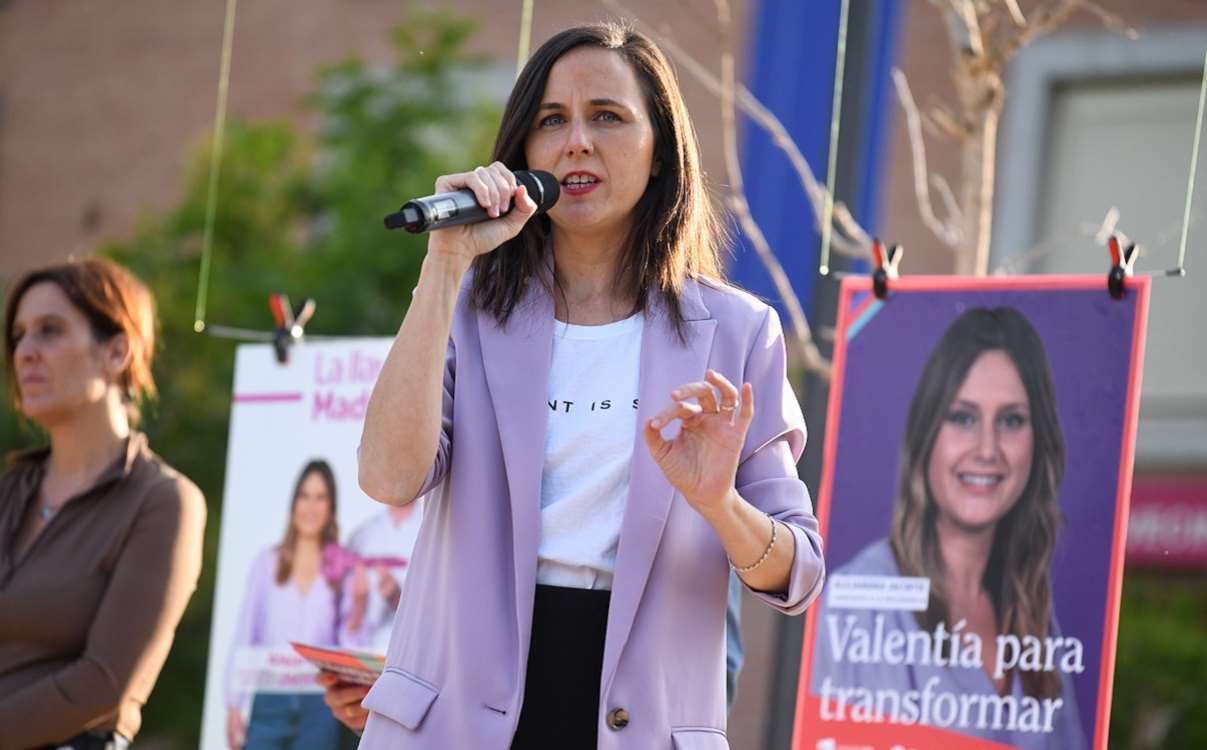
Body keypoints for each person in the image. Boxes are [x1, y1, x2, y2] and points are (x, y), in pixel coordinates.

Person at [322, 21, 826, 749]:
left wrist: (718, 503)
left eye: (609, 117)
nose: (576, 142)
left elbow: (797, 574)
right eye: (550, 121)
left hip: (638, 720)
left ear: (661, 154)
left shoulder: (739, 330)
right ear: (523, 152)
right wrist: (444, 264)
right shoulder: (466, 305)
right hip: (461, 718)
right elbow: (389, 477)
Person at [820, 307, 1084, 749]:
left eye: (1012, 420)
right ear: (927, 435)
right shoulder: (859, 601)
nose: (987, 449)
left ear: (1038, 442)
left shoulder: (1034, 613)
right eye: (963, 417)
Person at [0, 258, 206, 750]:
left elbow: (106, 684)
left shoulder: (162, 501)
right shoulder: (10, 491)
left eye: (50, 331)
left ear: (117, 351)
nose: (25, 352)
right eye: (19, 335)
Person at [225, 459, 344, 750]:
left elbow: (347, 644)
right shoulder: (267, 563)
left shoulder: (341, 568)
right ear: (293, 502)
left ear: (331, 507)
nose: (311, 506)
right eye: (304, 495)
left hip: (320, 703)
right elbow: (246, 633)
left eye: (320, 497)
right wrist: (233, 704)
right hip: (270, 697)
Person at [336, 503, 423, 653]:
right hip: (366, 661)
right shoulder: (362, 537)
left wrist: (398, 599)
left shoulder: (437, 532)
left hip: (417, 661)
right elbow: (347, 634)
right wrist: (359, 605)